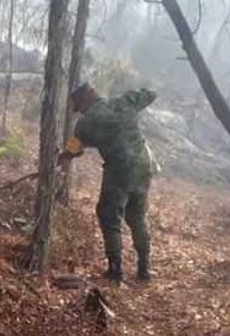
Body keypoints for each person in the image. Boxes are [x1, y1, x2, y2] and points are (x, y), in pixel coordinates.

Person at [57, 82, 158, 282]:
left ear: (86, 99)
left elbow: (73, 149)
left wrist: (61, 157)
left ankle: (115, 270)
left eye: (80, 107)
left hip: (119, 170)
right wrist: (138, 98)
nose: (81, 111)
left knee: (109, 215)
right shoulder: (124, 102)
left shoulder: (85, 124)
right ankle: (144, 269)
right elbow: (152, 93)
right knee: (137, 216)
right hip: (143, 165)